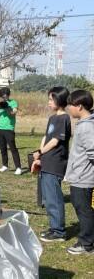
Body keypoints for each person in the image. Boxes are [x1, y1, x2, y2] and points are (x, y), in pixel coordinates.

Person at [31, 87, 71, 242]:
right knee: (48, 198)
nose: (48, 102)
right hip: (47, 162)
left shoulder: (64, 118)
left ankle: (59, 232)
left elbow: (55, 141)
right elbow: (46, 137)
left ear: (59, 100)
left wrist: (41, 153)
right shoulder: (52, 118)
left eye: (51, 99)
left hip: (55, 164)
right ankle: (54, 227)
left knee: (54, 198)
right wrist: (39, 152)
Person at [64, 90, 94, 254]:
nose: (69, 108)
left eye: (71, 105)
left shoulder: (87, 127)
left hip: (84, 179)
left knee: (84, 210)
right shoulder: (86, 124)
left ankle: (86, 243)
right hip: (83, 177)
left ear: (80, 106)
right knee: (87, 210)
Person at [0, 87, 22, 175]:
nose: (4, 98)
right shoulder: (0, 103)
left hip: (9, 129)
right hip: (0, 128)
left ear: (8, 95)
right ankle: (5, 165)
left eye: (5, 96)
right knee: (3, 148)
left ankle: (18, 168)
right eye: (2, 96)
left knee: (13, 149)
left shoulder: (13, 102)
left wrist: (7, 108)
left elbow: (13, 114)